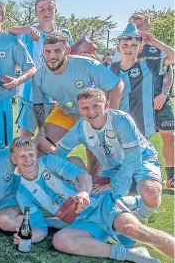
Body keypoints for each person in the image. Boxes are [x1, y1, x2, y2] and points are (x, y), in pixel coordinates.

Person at [10, 137, 174, 263]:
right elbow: (39, 228)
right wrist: (29, 237)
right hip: (82, 223)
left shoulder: (48, 161)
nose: (28, 160)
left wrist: (84, 193)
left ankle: (130, 204)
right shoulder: (22, 192)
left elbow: (82, 175)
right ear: (14, 159)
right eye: (22, 156)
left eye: (31, 154)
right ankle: (132, 254)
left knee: (132, 230)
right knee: (60, 241)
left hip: (101, 204)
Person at [56, 88, 163, 222]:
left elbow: (133, 157)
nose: (91, 112)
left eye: (96, 106)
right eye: (85, 108)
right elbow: (58, 153)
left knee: (150, 194)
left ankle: (142, 216)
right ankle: (133, 201)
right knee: (98, 203)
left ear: (106, 105)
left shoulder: (121, 120)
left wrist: (116, 185)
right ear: (79, 110)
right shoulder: (80, 128)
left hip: (142, 159)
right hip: (112, 167)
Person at [29, 32, 123, 174]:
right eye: (47, 51)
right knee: (40, 150)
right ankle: (51, 186)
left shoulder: (86, 64)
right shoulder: (39, 76)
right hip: (65, 112)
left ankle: (90, 187)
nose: (52, 56)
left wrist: (111, 117)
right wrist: (41, 132)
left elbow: (117, 84)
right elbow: (38, 105)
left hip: (90, 113)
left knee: (96, 163)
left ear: (67, 51)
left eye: (57, 51)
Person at [109, 23, 174, 188]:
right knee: (122, 163)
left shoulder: (148, 64)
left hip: (142, 123)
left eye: (133, 45)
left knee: (138, 160)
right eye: (125, 45)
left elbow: (173, 58)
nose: (128, 48)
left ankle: (158, 177)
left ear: (139, 48)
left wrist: (156, 43)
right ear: (118, 47)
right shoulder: (111, 68)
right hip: (119, 124)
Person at [6, 0, 75, 137]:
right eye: (41, 9)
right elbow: (6, 32)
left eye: (50, 8)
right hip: (29, 96)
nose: (46, 12)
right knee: (23, 141)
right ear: (36, 12)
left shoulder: (64, 34)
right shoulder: (27, 34)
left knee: (49, 143)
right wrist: (27, 29)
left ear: (56, 11)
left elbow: (71, 62)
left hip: (56, 98)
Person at [0, 1, 36, 148]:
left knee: (0, 150)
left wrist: (18, 81)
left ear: (3, 18)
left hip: (0, 102)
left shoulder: (12, 41)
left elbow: (31, 68)